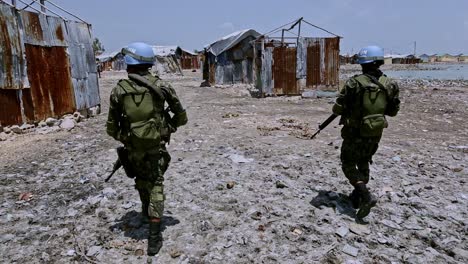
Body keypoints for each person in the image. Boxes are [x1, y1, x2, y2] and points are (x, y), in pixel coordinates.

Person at [106, 42, 188, 255]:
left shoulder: (119, 90)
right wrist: (165, 129)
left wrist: (128, 138)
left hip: (133, 147)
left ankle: (145, 212)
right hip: (156, 146)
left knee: (141, 179)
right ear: (149, 63)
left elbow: (111, 128)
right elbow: (182, 118)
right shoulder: (163, 87)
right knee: (156, 183)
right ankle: (154, 236)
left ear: (130, 63)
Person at [332, 45, 400, 219]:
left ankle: (365, 195)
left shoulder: (354, 83)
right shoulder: (390, 84)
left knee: (347, 162)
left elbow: (339, 107)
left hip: (354, 131)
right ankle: (357, 197)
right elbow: (392, 112)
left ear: (362, 63)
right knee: (364, 160)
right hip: (375, 130)